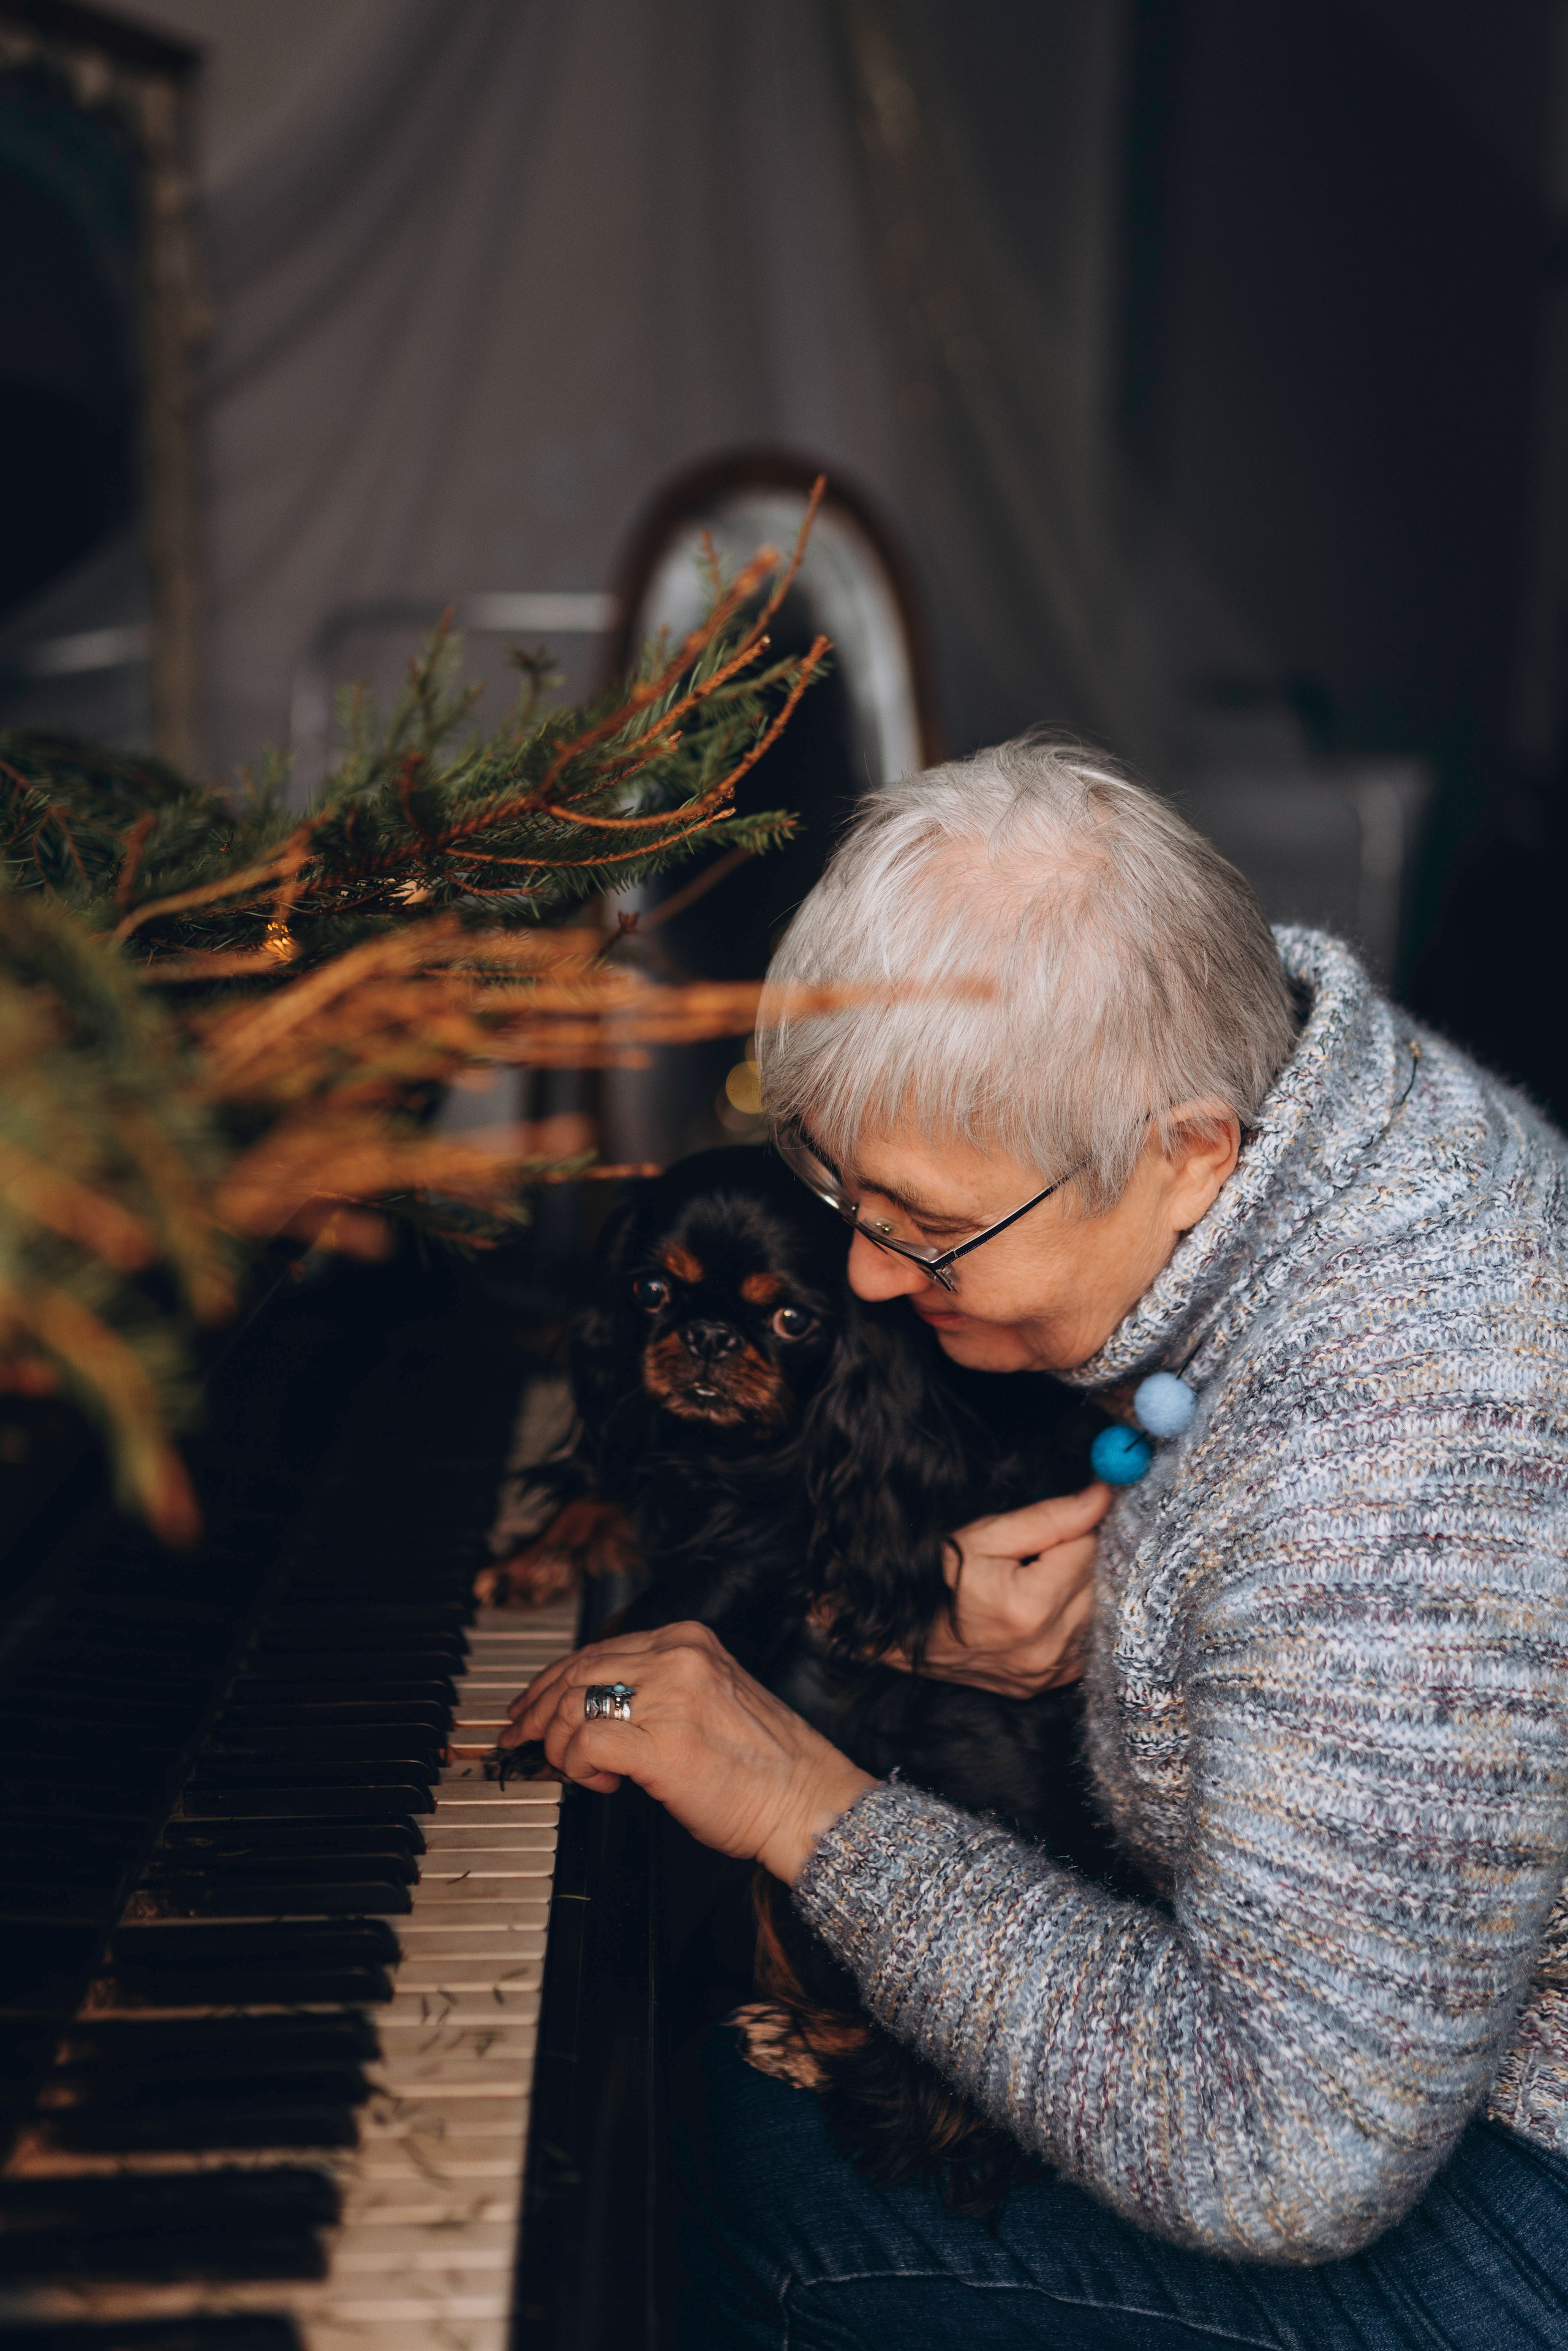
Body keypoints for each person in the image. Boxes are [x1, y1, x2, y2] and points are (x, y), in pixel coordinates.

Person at [503, 736, 1568, 2348]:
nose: (864, 1279)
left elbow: (1284, 2156)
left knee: (729, 2196)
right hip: (1406, 2065)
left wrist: (803, 1799)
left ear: (1185, 1150)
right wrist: (1087, 1565)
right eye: (840, 1193)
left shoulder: (1401, 1459)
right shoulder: (1320, 1113)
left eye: (929, 1229)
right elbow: (1218, 1456)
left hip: (1513, 2183)